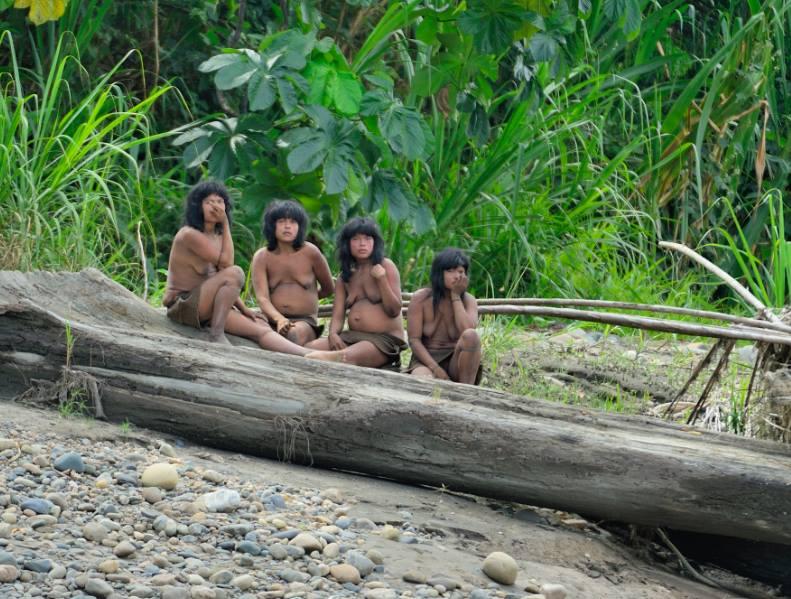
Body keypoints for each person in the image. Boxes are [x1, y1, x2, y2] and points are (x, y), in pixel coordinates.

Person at [162, 181, 336, 358]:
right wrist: (226, 223)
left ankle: (311, 355)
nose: (216, 206)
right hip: (184, 305)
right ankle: (216, 334)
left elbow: (220, 280)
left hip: (207, 307)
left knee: (261, 329)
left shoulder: (217, 236)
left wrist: (244, 310)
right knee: (236, 272)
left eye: (220, 201)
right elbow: (227, 266)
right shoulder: (189, 234)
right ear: (196, 206)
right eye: (209, 202)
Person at [305, 217, 406, 368]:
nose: (362, 243)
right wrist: (333, 334)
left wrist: (382, 280)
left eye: (367, 238)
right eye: (356, 239)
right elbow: (338, 315)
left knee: (343, 357)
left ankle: (333, 357)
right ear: (347, 244)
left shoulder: (386, 266)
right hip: (352, 337)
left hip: (383, 341)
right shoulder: (345, 277)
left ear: (375, 243)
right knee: (309, 348)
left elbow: (394, 310)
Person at [251, 200, 334, 346]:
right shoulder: (262, 257)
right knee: (246, 328)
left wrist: (306, 299)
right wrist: (279, 319)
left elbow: (329, 288)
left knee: (291, 335)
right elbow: (262, 298)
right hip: (271, 320)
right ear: (272, 226)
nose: (287, 226)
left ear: (300, 227)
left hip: (304, 321)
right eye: (282, 221)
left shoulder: (311, 252)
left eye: (293, 222)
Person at [406, 248, 481, 384]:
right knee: (423, 382)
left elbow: (468, 330)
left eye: (461, 272)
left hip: (456, 360)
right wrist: (435, 368)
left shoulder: (468, 300)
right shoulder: (421, 298)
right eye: (450, 271)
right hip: (425, 360)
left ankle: (466, 391)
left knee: (471, 335)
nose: (457, 276)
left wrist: (456, 296)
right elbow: (414, 341)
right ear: (439, 273)